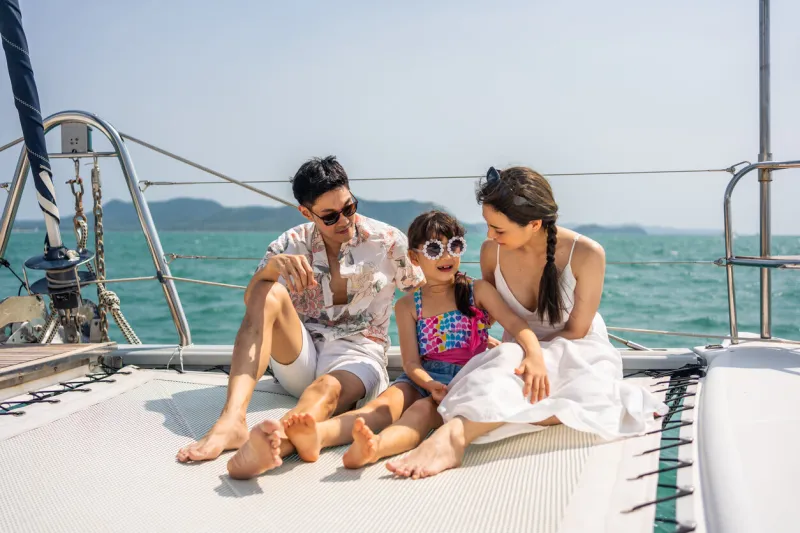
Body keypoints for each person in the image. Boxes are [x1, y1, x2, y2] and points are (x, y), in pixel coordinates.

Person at [387, 166, 669, 479]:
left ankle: (454, 435)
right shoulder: (491, 252)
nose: (490, 235)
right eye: (488, 226)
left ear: (534, 223)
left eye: (499, 229)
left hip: (577, 347)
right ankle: (454, 433)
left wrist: (531, 355)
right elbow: (489, 315)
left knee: (586, 392)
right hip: (519, 347)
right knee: (497, 373)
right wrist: (498, 346)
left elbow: (575, 331)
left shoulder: (587, 254)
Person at [174, 156, 424, 479]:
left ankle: (277, 441)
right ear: (306, 213)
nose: (345, 221)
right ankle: (232, 420)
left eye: (349, 208)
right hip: (302, 352)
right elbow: (253, 306)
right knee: (269, 292)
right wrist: (271, 269)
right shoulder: (291, 243)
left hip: (359, 353)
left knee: (325, 390)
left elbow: (426, 295)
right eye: (331, 216)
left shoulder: (387, 243)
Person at [245, 211, 547, 473]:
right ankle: (318, 436)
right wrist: (427, 383)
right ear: (414, 258)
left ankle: (376, 447)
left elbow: (516, 325)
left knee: (419, 414)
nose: (447, 256)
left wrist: (533, 353)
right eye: (433, 248)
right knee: (383, 405)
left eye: (455, 246)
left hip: (465, 380)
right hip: (423, 377)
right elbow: (411, 362)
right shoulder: (408, 306)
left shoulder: (477, 292)